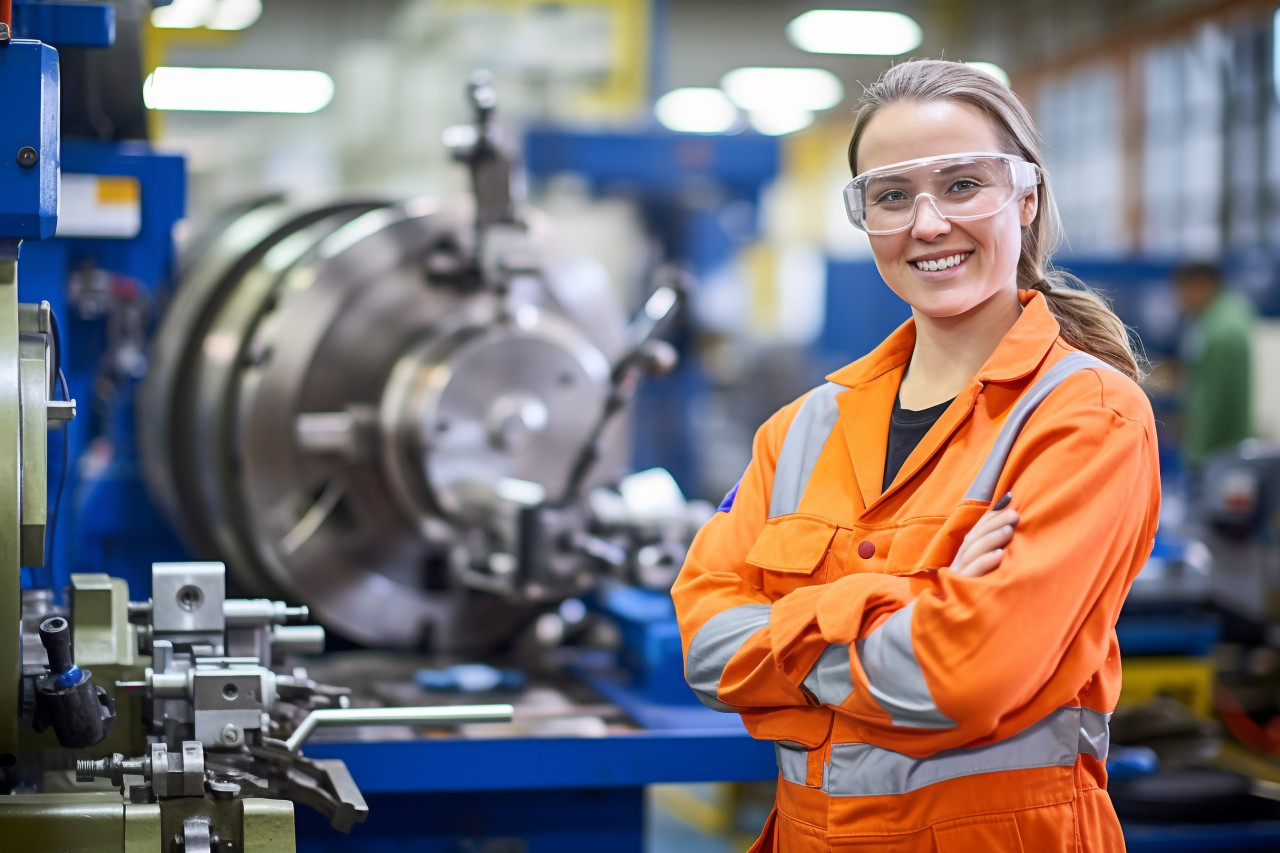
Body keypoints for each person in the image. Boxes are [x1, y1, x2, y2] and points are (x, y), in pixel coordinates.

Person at [672, 59, 1160, 852]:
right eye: (893, 196)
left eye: (963, 184)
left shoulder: (1086, 415)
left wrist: (789, 637)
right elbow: (704, 648)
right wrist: (912, 604)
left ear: (1026, 197)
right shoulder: (800, 427)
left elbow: (961, 677)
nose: (928, 224)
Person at [1173, 260, 1254, 469]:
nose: (1180, 301)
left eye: (1182, 292)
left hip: (1218, 457)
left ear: (1201, 285)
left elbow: (1212, 403)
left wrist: (1197, 457)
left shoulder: (1220, 334)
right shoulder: (1229, 314)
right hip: (1230, 451)